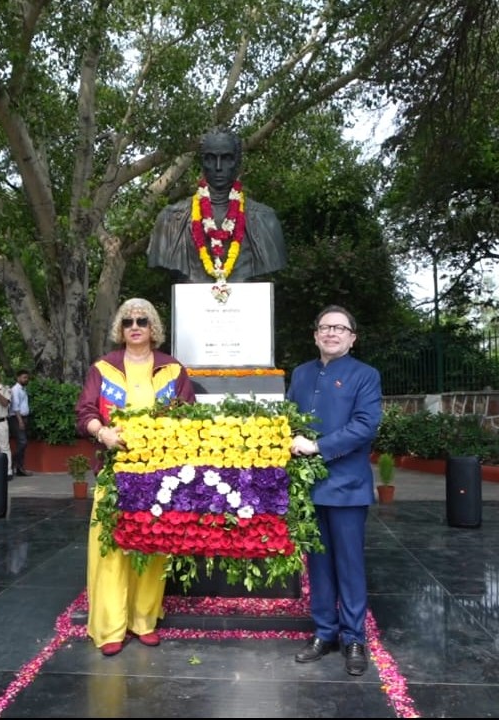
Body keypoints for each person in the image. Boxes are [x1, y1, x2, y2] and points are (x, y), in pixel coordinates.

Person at [74, 298, 196, 656]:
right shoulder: (103, 368)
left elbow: (189, 416)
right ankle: (111, 626)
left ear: (153, 326)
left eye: (142, 320)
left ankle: (144, 620)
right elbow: (84, 412)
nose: (135, 326)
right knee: (111, 548)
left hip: (160, 473)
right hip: (115, 471)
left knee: (152, 545)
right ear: (120, 328)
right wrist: (103, 433)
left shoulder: (173, 369)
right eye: (128, 321)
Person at [286, 305, 383, 677]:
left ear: (352, 338)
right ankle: (324, 632)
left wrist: (318, 446)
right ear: (315, 335)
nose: (331, 333)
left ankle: (354, 637)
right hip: (309, 488)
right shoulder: (302, 373)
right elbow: (290, 418)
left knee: (349, 564)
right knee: (319, 566)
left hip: (346, 486)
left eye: (340, 328)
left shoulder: (365, 376)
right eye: (325, 327)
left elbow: (365, 426)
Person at [147, 129, 287, 283]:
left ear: (238, 161)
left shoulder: (265, 219)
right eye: (211, 158)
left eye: (227, 158)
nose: (218, 167)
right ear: (202, 162)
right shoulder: (170, 220)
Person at [9, 369, 31, 476]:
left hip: (24, 418)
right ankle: (12, 464)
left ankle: (19, 468)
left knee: (21, 443)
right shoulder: (15, 390)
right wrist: (20, 421)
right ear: (18, 378)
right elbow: (15, 406)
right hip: (17, 418)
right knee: (23, 442)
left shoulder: (23, 389)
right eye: (24, 377)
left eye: (27, 377)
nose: (26, 379)